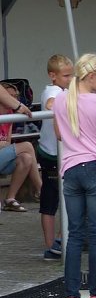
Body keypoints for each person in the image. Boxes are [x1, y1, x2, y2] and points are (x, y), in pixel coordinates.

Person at [53, 53, 96, 298]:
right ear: (91, 76)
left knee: (75, 234)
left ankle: (71, 297)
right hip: (94, 167)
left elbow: (60, 134)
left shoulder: (60, 100)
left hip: (70, 168)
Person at [38, 54, 74, 259]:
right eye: (66, 75)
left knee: (66, 197)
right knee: (51, 199)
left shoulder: (66, 90)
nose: (70, 79)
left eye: (71, 75)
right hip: (52, 153)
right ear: (53, 76)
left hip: (62, 151)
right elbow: (51, 104)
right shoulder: (52, 91)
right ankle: (52, 244)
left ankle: (61, 239)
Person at [0, 81, 40, 212]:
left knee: (26, 158)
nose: (14, 100)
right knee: (27, 146)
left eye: (15, 96)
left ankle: (10, 199)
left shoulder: (10, 114)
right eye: (9, 96)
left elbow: (8, 141)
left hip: (2, 155)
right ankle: (41, 189)